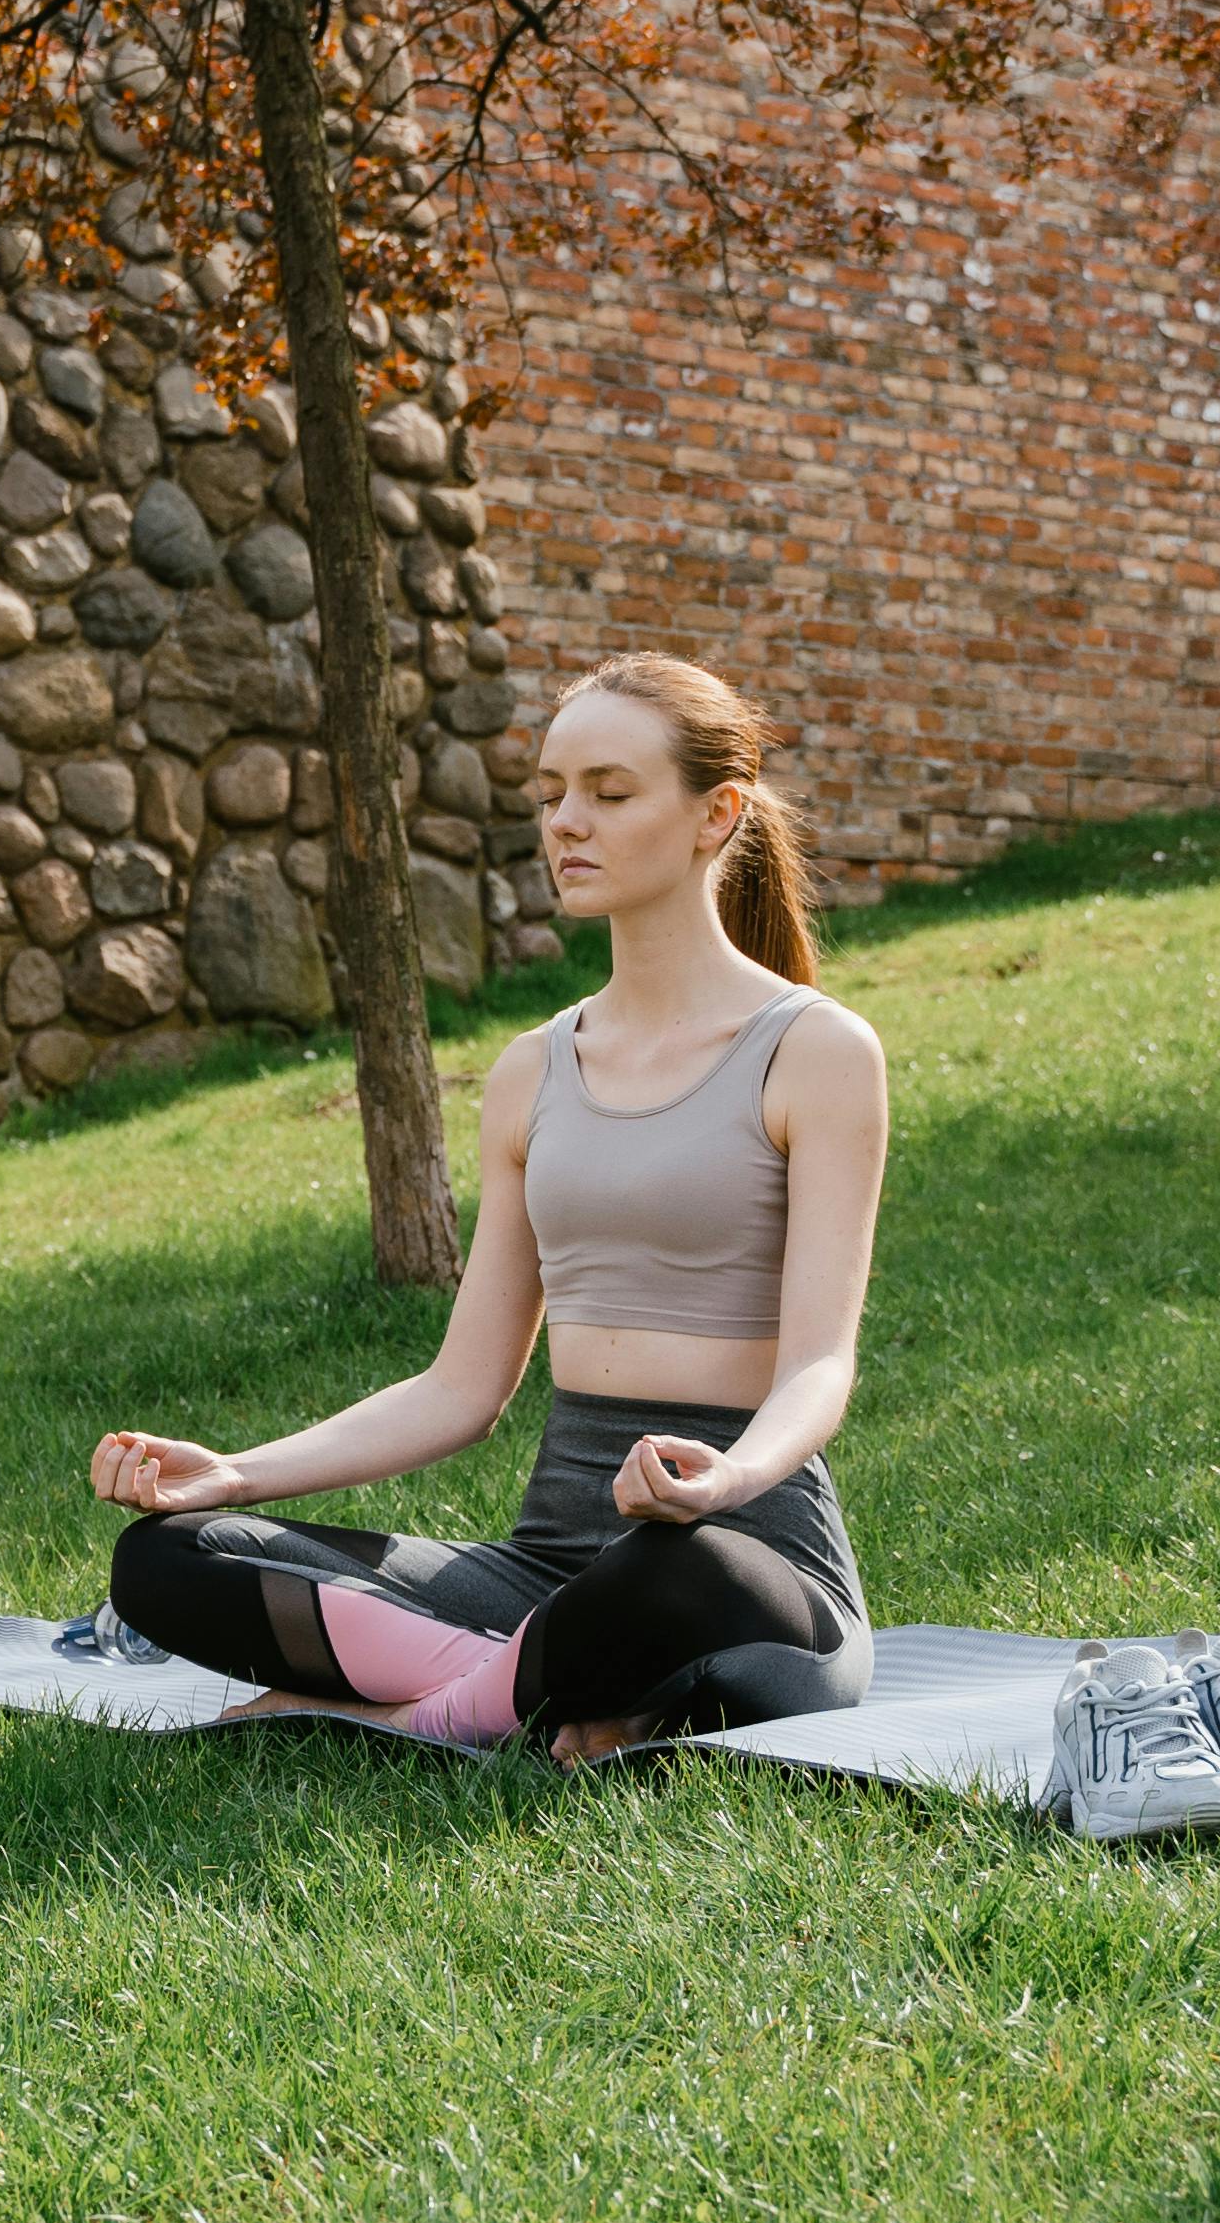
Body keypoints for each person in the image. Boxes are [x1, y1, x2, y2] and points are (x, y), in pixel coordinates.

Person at [84, 652, 885, 1758]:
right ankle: (538, 1693)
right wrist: (235, 1471)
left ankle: (422, 1711)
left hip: (745, 1560)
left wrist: (732, 1476)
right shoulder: (530, 1070)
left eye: (610, 792)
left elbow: (819, 1366)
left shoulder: (816, 1051)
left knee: (668, 1577)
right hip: (547, 1568)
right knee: (170, 1558)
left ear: (717, 816)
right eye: (552, 792)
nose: (567, 821)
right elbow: (460, 1388)